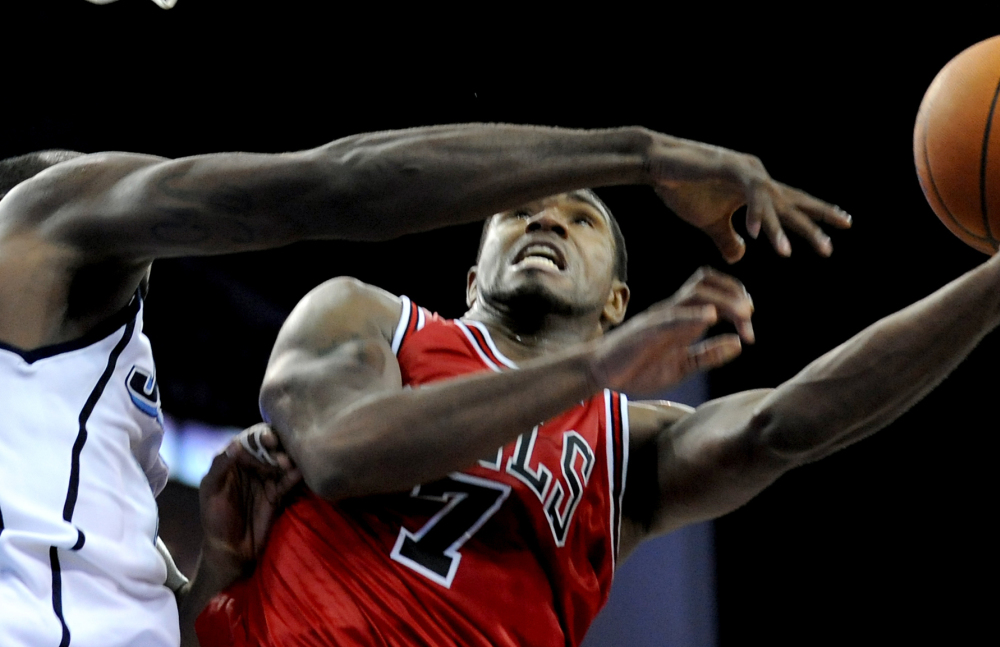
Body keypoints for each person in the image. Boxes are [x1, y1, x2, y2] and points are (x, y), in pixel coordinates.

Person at [0, 125, 847, 647]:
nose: (126, 194)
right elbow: (335, 182)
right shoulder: (42, 236)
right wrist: (642, 153)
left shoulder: (85, 394)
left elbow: (787, 424)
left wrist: (217, 566)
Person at [193, 187, 999, 647]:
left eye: (580, 220)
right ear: (473, 276)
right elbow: (339, 453)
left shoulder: (622, 443)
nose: (547, 221)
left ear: (616, 303)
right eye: (521, 212)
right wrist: (591, 370)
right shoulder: (366, 318)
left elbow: (783, 426)